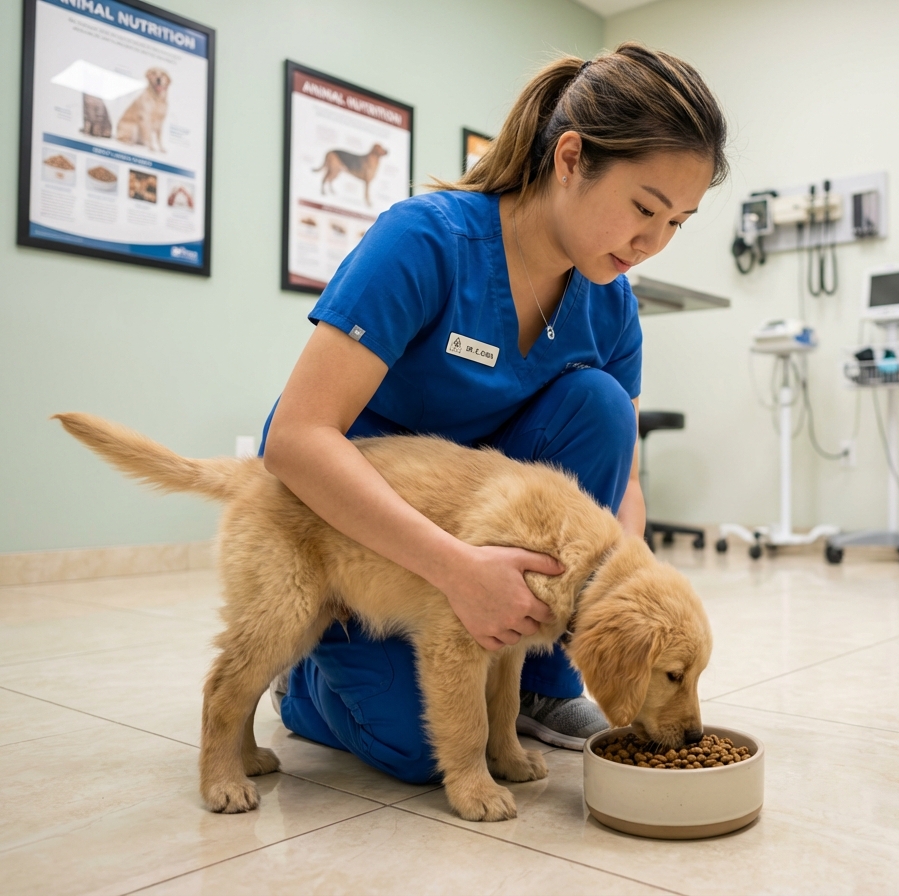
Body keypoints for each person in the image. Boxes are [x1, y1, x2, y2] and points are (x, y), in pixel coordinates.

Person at [261, 42, 728, 783]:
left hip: (491, 522)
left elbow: (624, 480)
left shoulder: (610, 304)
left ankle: (540, 679)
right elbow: (294, 439)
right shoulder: (427, 241)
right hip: (360, 536)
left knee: (601, 405)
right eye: (644, 208)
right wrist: (454, 568)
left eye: (677, 222)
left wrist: (628, 583)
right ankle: (308, 679)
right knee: (423, 747)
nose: (652, 243)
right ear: (570, 158)